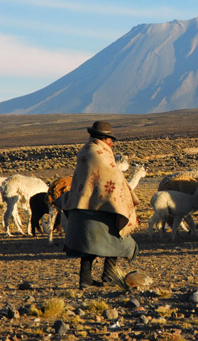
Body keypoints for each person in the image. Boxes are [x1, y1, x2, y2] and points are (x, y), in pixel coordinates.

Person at [63, 121, 140, 289]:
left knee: (89, 245)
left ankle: (88, 280)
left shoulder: (87, 149)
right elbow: (112, 177)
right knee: (114, 242)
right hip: (98, 207)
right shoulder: (99, 153)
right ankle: (107, 277)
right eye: (110, 139)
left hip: (83, 203)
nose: (112, 143)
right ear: (103, 138)